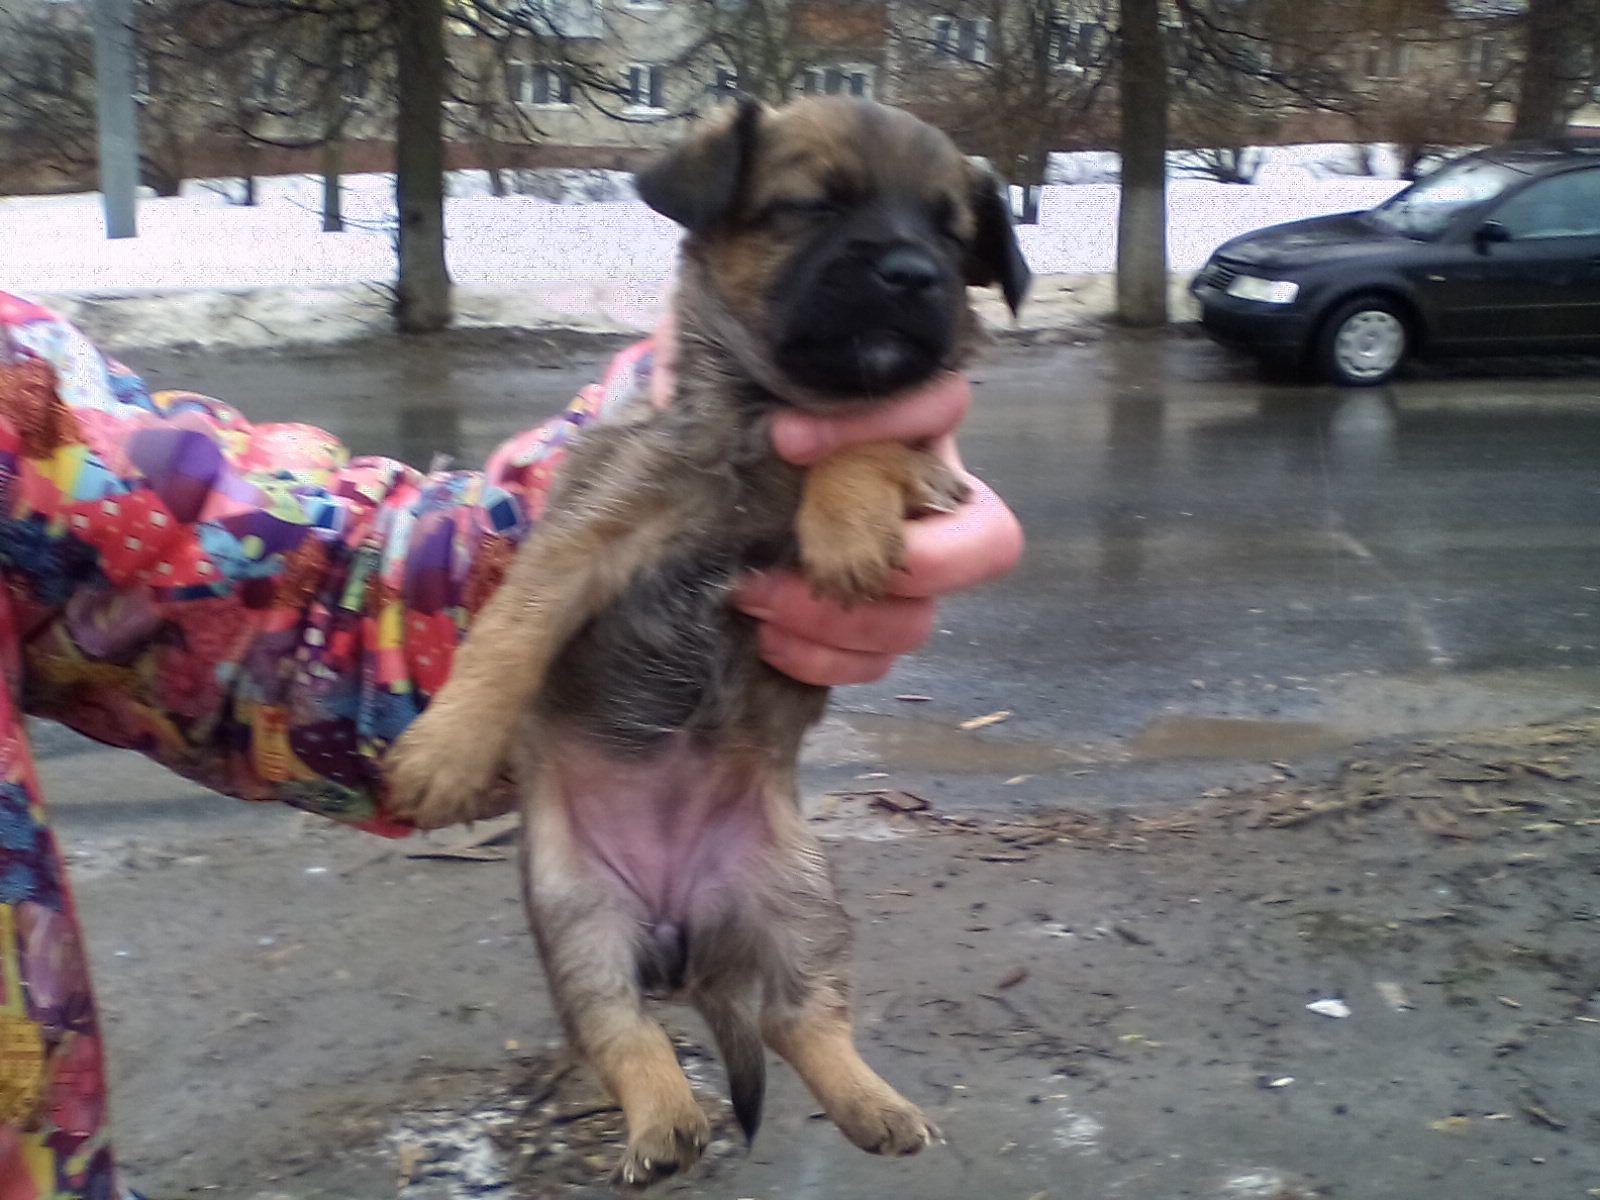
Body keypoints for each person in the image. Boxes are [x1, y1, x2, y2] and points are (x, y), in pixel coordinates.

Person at [0, 290, 1021, 1199]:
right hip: (606, 784)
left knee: (788, 896)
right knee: (583, 921)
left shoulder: (19, 398)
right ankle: (643, 1076)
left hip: (712, 759)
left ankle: (816, 1035)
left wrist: (689, 404)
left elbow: (256, 571)